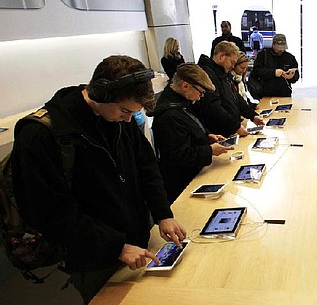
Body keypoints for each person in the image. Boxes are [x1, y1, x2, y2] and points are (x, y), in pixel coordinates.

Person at [11, 55, 187, 303]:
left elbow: (146, 166)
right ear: (100, 93)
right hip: (93, 258)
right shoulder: (42, 134)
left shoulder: (117, 118)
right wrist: (117, 247)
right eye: (126, 111)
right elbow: (52, 213)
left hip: (137, 242)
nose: (129, 119)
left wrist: (163, 214)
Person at [152, 63, 234, 203]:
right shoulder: (169, 116)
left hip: (193, 173)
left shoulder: (182, 102)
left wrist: (207, 135)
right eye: (200, 92)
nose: (201, 96)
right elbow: (179, 155)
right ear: (185, 86)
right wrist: (209, 151)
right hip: (181, 184)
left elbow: (191, 125)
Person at [197, 41, 264, 137]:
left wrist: (252, 116)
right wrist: (235, 127)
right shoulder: (208, 75)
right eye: (232, 62)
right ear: (221, 56)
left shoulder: (223, 73)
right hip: (220, 133)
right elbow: (214, 108)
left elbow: (236, 97)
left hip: (230, 129)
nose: (233, 66)